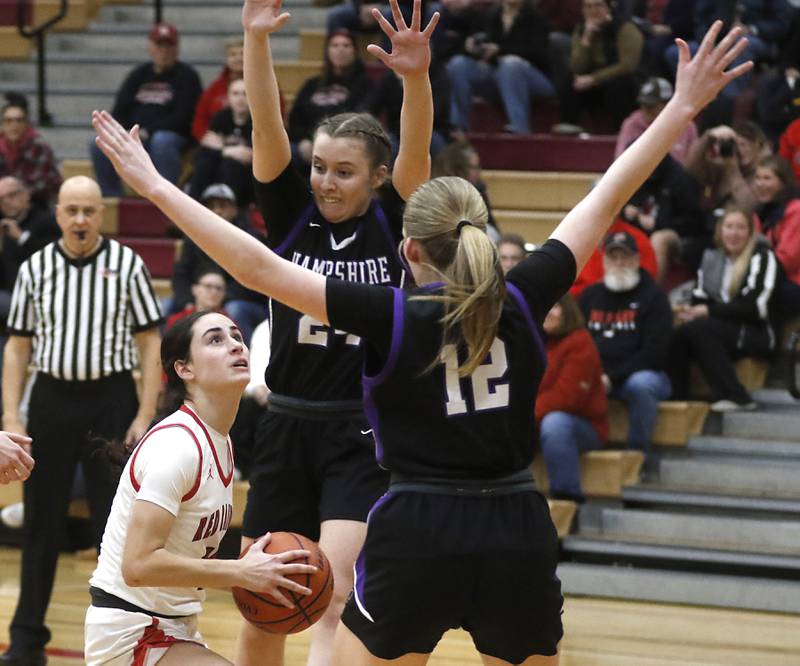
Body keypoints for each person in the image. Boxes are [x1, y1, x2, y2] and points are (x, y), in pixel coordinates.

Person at [94, 17, 751, 664]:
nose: (324, 180)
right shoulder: (520, 296)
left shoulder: (394, 313)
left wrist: (154, 185)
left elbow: (254, 267)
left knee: (333, 602)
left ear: (407, 241)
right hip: (514, 517)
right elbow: (605, 197)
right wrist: (684, 104)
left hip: (415, 513)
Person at [83, 311, 317, 665]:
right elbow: (138, 564)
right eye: (215, 340)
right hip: (131, 628)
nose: (235, 345)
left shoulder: (219, 440)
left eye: (236, 336)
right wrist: (240, 573)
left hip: (175, 626)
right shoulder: (177, 447)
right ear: (184, 369)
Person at [0, 176, 164, 665]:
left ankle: (122, 639)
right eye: (71, 210)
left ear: (101, 215)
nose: (79, 220)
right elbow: (18, 347)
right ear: (57, 213)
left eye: (89, 211)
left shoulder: (127, 265)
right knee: (40, 525)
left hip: (109, 400)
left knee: (113, 526)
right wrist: (10, 412)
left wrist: (144, 411)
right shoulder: (37, 267)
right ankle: (27, 641)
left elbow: (151, 341)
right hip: (50, 401)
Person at [669, 207, 777, 412]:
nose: (734, 233)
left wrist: (709, 312)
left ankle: (738, 397)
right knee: (680, 332)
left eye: (740, 228)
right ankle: (678, 398)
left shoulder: (763, 257)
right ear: (720, 230)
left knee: (700, 328)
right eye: (729, 227)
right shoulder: (711, 258)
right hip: (718, 328)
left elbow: (755, 307)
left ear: (750, 232)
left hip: (754, 331)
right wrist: (690, 312)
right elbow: (699, 297)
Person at [579, 231, 673, 459]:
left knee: (641, 384)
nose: (619, 263)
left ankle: (637, 455)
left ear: (637, 260)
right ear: (604, 261)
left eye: (625, 257)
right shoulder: (588, 297)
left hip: (644, 375)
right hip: (597, 376)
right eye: (613, 257)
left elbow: (654, 353)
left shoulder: (654, 297)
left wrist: (611, 378)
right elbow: (576, 343)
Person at [89, 23, 202, 197]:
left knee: (161, 141)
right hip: (136, 134)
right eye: (159, 45)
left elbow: (184, 117)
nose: (164, 51)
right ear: (150, 48)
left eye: (169, 46)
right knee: (98, 144)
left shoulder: (188, 76)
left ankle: (167, 198)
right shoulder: (138, 75)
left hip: (172, 136)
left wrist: (147, 131)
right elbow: (120, 110)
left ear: (177, 48)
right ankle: (112, 198)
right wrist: (123, 132)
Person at [171, 184, 269, 345]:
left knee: (234, 309)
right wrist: (188, 301)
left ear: (234, 210)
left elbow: (253, 282)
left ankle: (245, 358)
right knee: (167, 306)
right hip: (204, 293)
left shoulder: (250, 238)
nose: (217, 210)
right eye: (212, 206)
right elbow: (181, 274)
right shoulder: (192, 236)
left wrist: (216, 296)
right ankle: (170, 362)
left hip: (244, 302)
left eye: (222, 206)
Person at [446, 0, 555, 135]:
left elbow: (539, 55)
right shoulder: (491, 16)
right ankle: (458, 128)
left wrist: (501, 51)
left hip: (534, 79)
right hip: (496, 74)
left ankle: (519, 129)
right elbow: (480, 42)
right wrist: (470, 48)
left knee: (510, 65)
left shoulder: (536, 18)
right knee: (458, 64)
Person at [538, 293, 607, 502]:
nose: (548, 313)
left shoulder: (580, 342)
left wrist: (521, 415)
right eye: (545, 308)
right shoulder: (536, 341)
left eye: (555, 307)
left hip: (584, 426)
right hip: (536, 419)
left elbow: (567, 398)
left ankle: (568, 499)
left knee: (555, 423)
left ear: (567, 311)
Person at [287, 29, 374, 169]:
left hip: (343, 142)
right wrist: (304, 140)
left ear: (354, 51)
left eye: (346, 45)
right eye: (335, 45)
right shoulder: (312, 84)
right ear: (327, 51)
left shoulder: (364, 84)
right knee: (283, 153)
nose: (340, 50)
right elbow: (295, 118)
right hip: (307, 145)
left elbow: (359, 118)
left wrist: (325, 142)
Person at [557, 0, 643, 133]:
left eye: (598, 5)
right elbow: (576, 66)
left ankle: (620, 130)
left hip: (624, 82)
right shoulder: (581, 29)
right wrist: (586, 38)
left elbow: (627, 65)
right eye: (588, 6)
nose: (593, 10)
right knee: (570, 78)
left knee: (621, 83)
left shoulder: (624, 27)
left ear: (608, 8)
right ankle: (569, 124)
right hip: (595, 84)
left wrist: (594, 78)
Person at [0, 177, 60, 327]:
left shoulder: (46, 221)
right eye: (1, 199)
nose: (6, 202)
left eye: (12, 195)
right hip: (7, 292)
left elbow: (54, 256)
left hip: (38, 294)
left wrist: (22, 237)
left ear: (26, 194)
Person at [189, 80, 255, 207]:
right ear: (228, 97)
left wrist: (222, 149)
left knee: (230, 165)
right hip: (220, 167)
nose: (240, 99)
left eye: (245, 94)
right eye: (235, 94)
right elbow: (205, 149)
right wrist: (227, 151)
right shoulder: (221, 117)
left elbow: (250, 155)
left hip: (248, 174)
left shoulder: (258, 120)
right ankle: (194, 207)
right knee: (204, 164)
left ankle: (229, 212)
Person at [754, 155, 800, 316]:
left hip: (792, 283)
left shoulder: (795, 210)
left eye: (767, 178)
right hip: (766, 275)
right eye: (757, 178)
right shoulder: (759, 212)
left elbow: (786, 261)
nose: (760, 184)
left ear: (782, 183)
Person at [615, 77, 698, 163]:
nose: (645, 109)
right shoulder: (631, 124)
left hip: (676, 175)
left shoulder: (686, 126)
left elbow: (692, 165)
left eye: (651, 106)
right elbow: (619, 161)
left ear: (668, 104)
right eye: (643, 104)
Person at [0, 94, 61, 207]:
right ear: (2, 125)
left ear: (26, 124)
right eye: (9, 121)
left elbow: (43, 186)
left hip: (35, 206)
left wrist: (12, 194)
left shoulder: (39, 147)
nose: (14, 125)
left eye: (19, 120)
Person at [192, 37, 245, 143]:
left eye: (242, 53)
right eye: (233, 55)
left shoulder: (265, 84)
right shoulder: (215, 88)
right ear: (226, 59)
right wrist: (206, 137)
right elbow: (199, 120)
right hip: (219, 144)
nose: (238, 58)